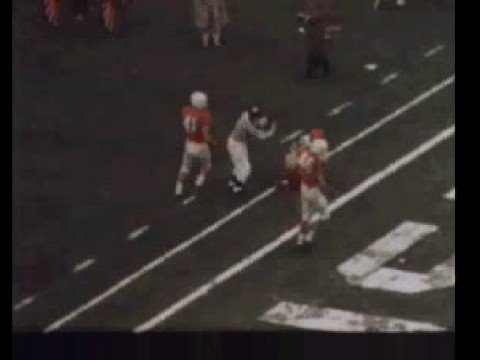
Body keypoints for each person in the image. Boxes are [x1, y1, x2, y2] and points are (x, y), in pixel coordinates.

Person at [227, 106, 276, 193]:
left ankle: (233, 180)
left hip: (238, 143)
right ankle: (237, 185)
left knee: (239, 164)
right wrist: (271, 131)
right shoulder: (249, 125)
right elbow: (262, 136)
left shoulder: (245, 114)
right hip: (236, 145)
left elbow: (256, 122)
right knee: (246, 168)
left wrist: (261, 123)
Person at [175, 91, 215, 197]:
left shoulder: (185, 110)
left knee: (185, 167)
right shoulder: (205, 116)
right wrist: (212, 142)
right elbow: (205, 136)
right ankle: (199, 182)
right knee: (206, 166)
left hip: (189, 143)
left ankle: (178, 187)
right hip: (201, 145)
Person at [295, 129, 330, 246]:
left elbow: (297, 166)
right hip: (313, 190)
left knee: (305, 216)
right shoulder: (316, 159)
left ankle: (300, 240)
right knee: (324, 213)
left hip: (303, 186)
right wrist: (325, 188)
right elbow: (320, 177)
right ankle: (309, 238)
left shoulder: (301, 152)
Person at [297, 0, 341, 79]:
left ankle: (310, 72)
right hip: (312, 28)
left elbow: (325, 13)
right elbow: (310, 9)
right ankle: (323, 67)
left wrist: (309, 18)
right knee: (314, 49)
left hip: (320, 28)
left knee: (315, 49)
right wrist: (304, 15)